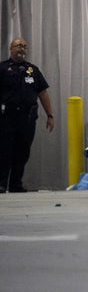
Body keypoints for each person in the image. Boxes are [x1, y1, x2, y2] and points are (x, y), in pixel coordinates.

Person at [0, 38, 55, 193]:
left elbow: (43, 93)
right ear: (11, 49)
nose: (22, 49)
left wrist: (50, 115)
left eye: (25, 46)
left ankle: (16, 184)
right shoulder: (3, 68)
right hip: (6, 118)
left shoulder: (32, 70)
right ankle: (2, 183)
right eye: (19, 46)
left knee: (22, 151)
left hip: (27, 118)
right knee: (4, 151)